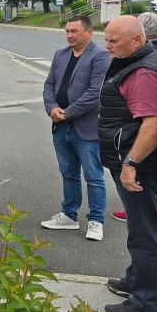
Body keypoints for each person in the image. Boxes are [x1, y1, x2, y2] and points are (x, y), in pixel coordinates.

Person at [100, 15, 157, 312]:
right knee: (139, 228)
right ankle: (136, 279)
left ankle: (148, 303)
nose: (107, 47)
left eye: (114, 41)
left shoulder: (143, 72)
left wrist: (131, 164)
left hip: (141, 165)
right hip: (135, 160)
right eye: (106, 40)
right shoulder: (135, 62)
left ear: (137, 40)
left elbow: (154, 123)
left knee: (145, 234)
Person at [40, 15, 110, 241]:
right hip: (60, 127)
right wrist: (51, 107)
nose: (70, 35)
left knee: (93, 175)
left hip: (85, 127)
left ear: (88, 33)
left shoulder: (100, 56)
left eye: (74, 31)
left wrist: (67, 112)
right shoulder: (60, 55)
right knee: (68, 173)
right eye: (67, 31)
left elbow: (95, 93)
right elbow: (49, 84)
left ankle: (96, 220)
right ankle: (69, 216)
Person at [111, 10, 157, 222]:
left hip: (142, 132)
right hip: (152, 134)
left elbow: (153, 117)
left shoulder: (147, 60)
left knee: (144, 190)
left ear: (139, 36)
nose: (108, 46)